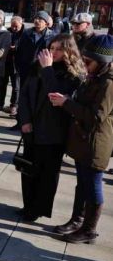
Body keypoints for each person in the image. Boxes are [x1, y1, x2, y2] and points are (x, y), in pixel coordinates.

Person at [49, 35, 113, 244]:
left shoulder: (108, 84)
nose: (84, 65)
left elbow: (96, 116)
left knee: (93, 186)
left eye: (89, 62)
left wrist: (67, 103)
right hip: (83, 141)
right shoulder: (94, 76)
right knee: (82, 184)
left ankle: (89, 230)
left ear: (103, 62)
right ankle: (77, 220)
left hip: (96, 144)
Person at [18, 35, 85, 222]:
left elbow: (54, 96)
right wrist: (24, 120)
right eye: (51, 47)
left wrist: (47, 69)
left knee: (47, 173)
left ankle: (39, 209)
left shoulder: (73, 74)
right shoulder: (36, 66)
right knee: (29, 169)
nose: (52, 52)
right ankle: (28, 205)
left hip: (54, 131)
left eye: (58, 49)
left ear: (68, 52)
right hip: (31, 126)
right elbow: (23, 94)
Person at [15, 10, 54, 85]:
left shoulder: (51, 36)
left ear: (46, 23)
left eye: (40, 19)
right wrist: (18, 66)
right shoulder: (26, 33)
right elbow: (19, 50)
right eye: (35, 18)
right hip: (25, 69)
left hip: (41, 70)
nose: (36, 20)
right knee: (23, 91)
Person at [2, 15, 24, 117]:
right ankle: (0, 103)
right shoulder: (7, 31)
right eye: (12, 26)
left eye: (16, 26)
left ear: (21, 24)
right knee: (3, 84)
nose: (14, 28)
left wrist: (17, 48)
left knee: (16, 86)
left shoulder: (25, 33)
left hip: (17, 63)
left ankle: (14, 106)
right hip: (6, 61)